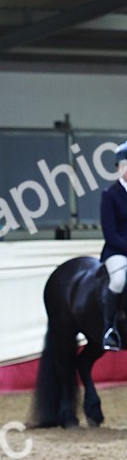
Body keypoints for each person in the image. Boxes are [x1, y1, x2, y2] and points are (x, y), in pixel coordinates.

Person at [100, 138, 127, 351]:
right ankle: (109, 330)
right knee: (118, 280)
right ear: (120, 168)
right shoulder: (110, 195)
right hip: (117, 251)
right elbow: (110, 233)